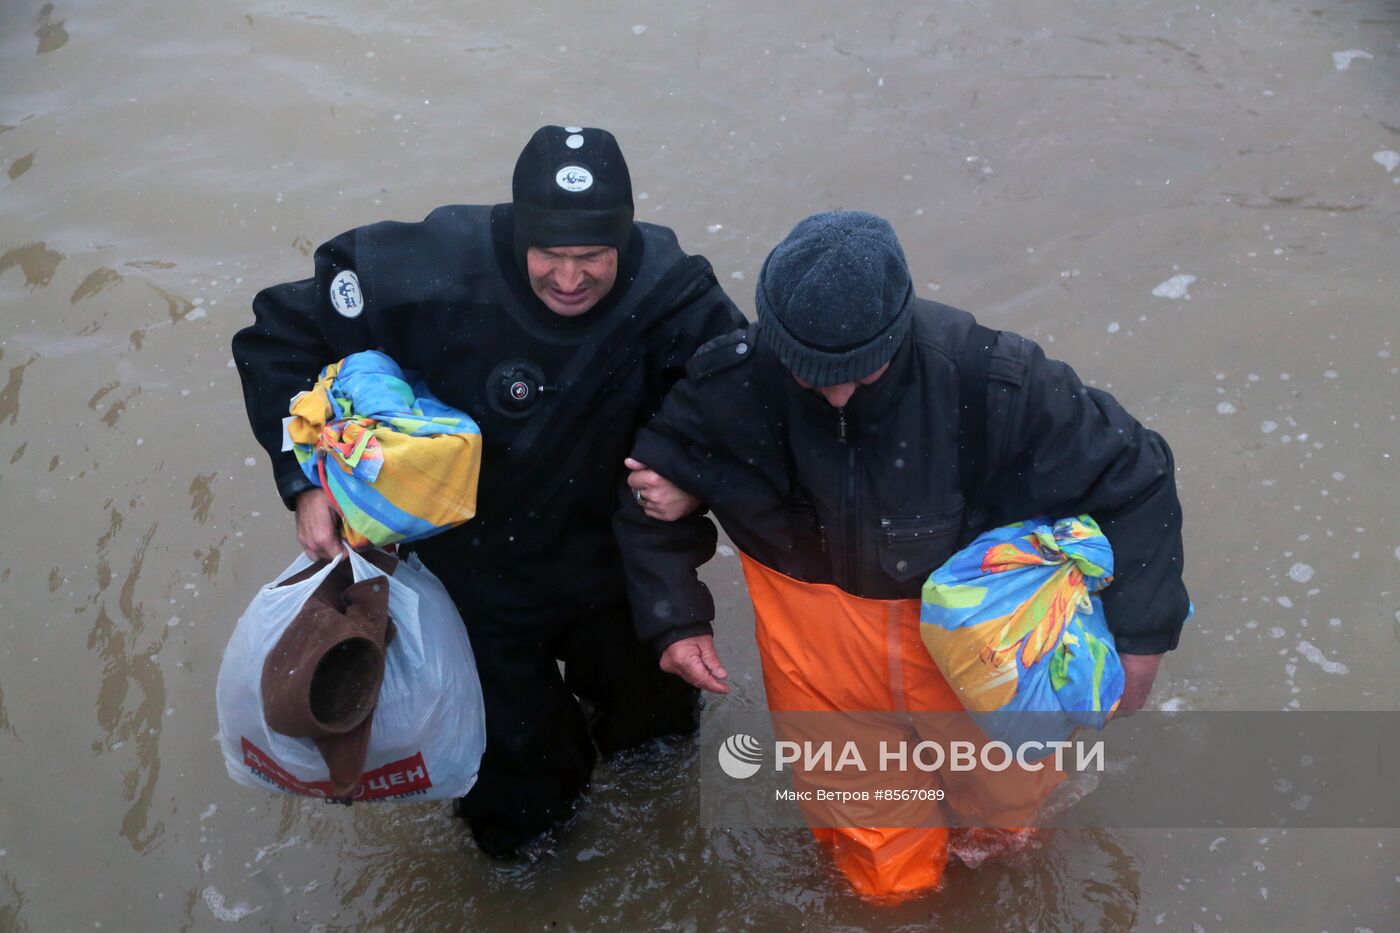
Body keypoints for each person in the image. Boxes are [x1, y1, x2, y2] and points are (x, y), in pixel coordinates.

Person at [615, 210, 1190, 896]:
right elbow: (645, 494)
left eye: (861, 372)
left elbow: (1138, 477)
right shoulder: (728, 385)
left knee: (1007, 832)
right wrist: (674, 617)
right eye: (810, 373)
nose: (835, 391)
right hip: (823, 678)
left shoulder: (994, 382)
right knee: (883, 878)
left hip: (982, 662)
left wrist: (1143, 640)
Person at [231, 125, 747, 857]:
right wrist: (304, 480)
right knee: (522, 816)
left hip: (612, 571)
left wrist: (697, 481)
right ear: (518, 235)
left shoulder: (673, 294)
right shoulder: (426, 269)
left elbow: (749, 410)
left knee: (657, 749)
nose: (571, 279)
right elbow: (278, 336)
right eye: (551, 256)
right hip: (473, 585)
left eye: (594, 257)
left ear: (624, 240)